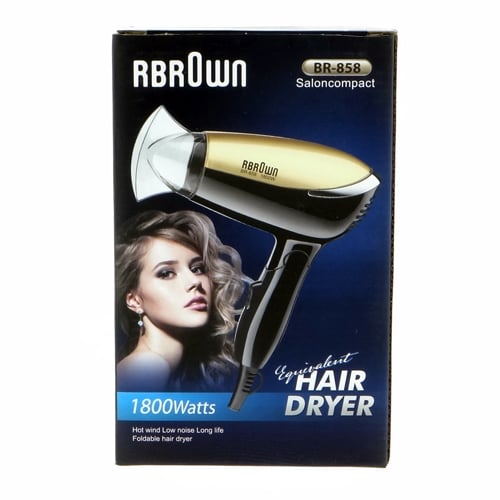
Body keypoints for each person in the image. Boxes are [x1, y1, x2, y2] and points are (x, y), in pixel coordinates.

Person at [115, 209, 247, 391]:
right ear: (134, 300)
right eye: (166, 273)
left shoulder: (170, 368)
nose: (194, 282)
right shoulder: (146, 366)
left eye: (197, 268)